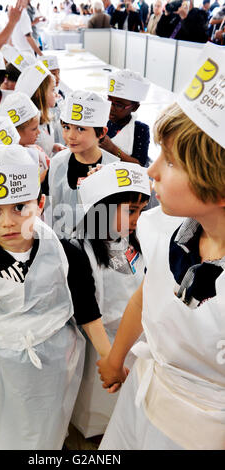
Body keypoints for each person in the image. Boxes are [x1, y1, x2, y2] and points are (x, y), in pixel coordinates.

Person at [97, 42, 225, 450]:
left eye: (169, 162)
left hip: (198, 431)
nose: (150, 170)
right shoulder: (166, 230)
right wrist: (116, 360)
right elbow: (145, 295)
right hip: (143, 392)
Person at [0, 143, 113, 449]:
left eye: (20, 207)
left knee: (50, 421)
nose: (8, 222)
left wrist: (108, 355)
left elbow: (86, 308)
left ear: (39, 203)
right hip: (8, 366)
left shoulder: (64, 251)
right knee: (8, 426)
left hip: (59, 361)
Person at [71, 161, 151, 440]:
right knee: (97, 403)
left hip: (136, 338)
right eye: (130, 211)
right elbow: (87, 311)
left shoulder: (133, 239)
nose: (137, 220)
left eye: (141, 211)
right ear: (100, 207)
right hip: (102, 344)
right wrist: (110, 358)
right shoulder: (80, 249)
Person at [43, 90, 118, 238]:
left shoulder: (114, 168)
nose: (71, 136)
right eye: (66, 127)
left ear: (102, 132)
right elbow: (47, 204)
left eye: (80, 129)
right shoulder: (57, 162)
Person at [100, 69, 150, 167]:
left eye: (118, 105)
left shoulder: (140, 130)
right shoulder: (101, 119)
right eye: (109, 101)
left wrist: (113, 149)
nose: (111, 107)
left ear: (135, 107)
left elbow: (139, 165)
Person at [15, 60, 65, 157]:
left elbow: (44, 145)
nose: (56, 94)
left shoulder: (45, 114)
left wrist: (53, 147)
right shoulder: (29, 124)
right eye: (52, 90)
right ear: (39, 94)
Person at [0, 90, 50, 181]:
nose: (39, 132)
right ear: (15, 132)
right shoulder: (8, 160)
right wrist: (45, 176)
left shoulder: (36, 149)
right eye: (34, 129)